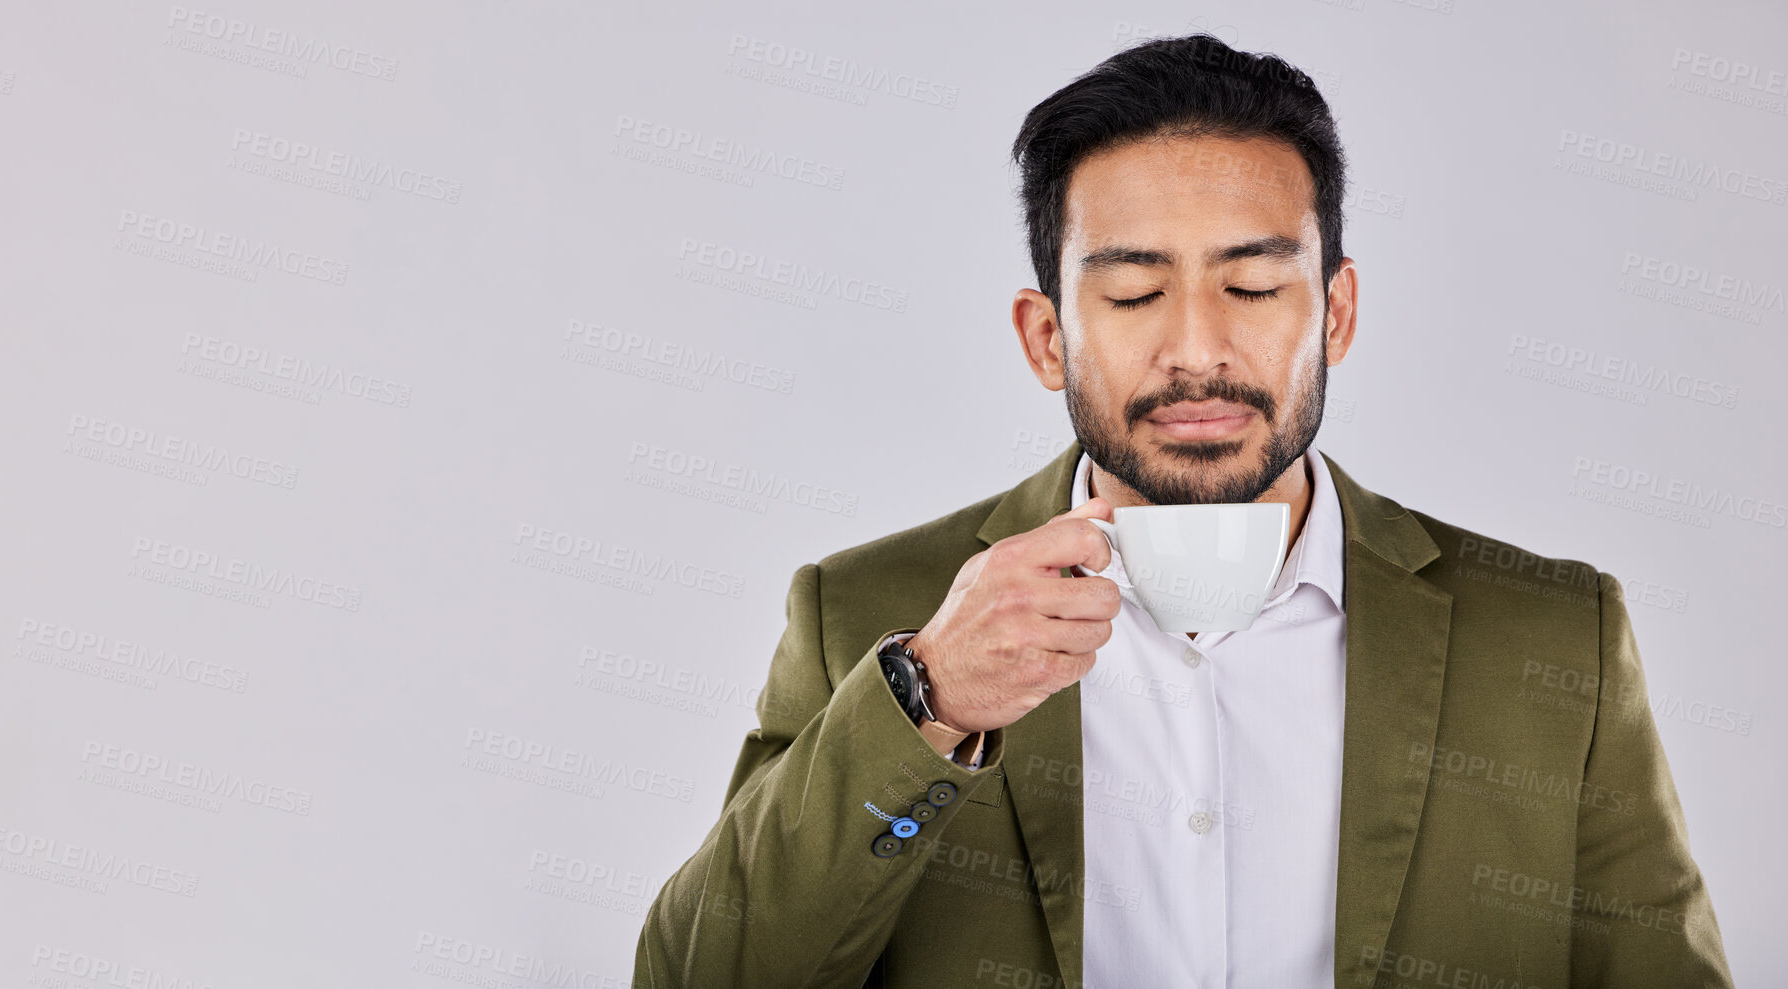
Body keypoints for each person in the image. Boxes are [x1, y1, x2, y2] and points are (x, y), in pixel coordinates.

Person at [632, 33, 1732, 989]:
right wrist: (924, 700)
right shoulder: (869, 615)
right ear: (1046, 334)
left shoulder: (1552, 638)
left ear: (1337, 311)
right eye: (1131, 292)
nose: (1198, 350)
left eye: (1253, 286)